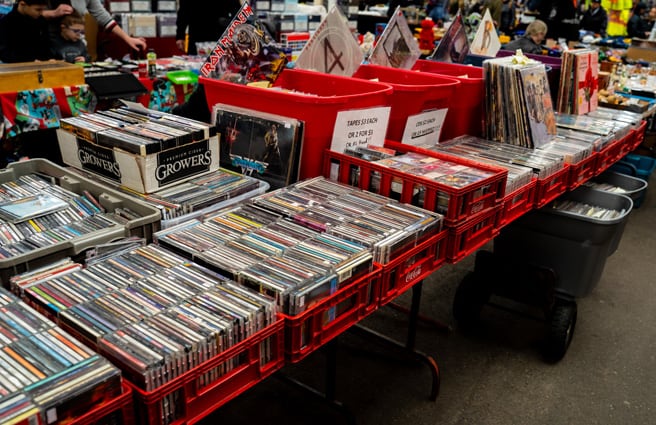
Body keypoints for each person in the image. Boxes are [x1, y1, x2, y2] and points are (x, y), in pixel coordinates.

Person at [42, 0, 146, 53]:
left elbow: (103, 17)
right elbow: (29, 12)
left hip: (75, 44)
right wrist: (52, 13)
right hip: (46, 43)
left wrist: (127, 38)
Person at [175, 0, 242, 55]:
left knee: (221, 66)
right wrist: (180, 35)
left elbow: (237, 11)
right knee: (196, 66)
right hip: (197, 34)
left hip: (219, 34)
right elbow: (183, 12)